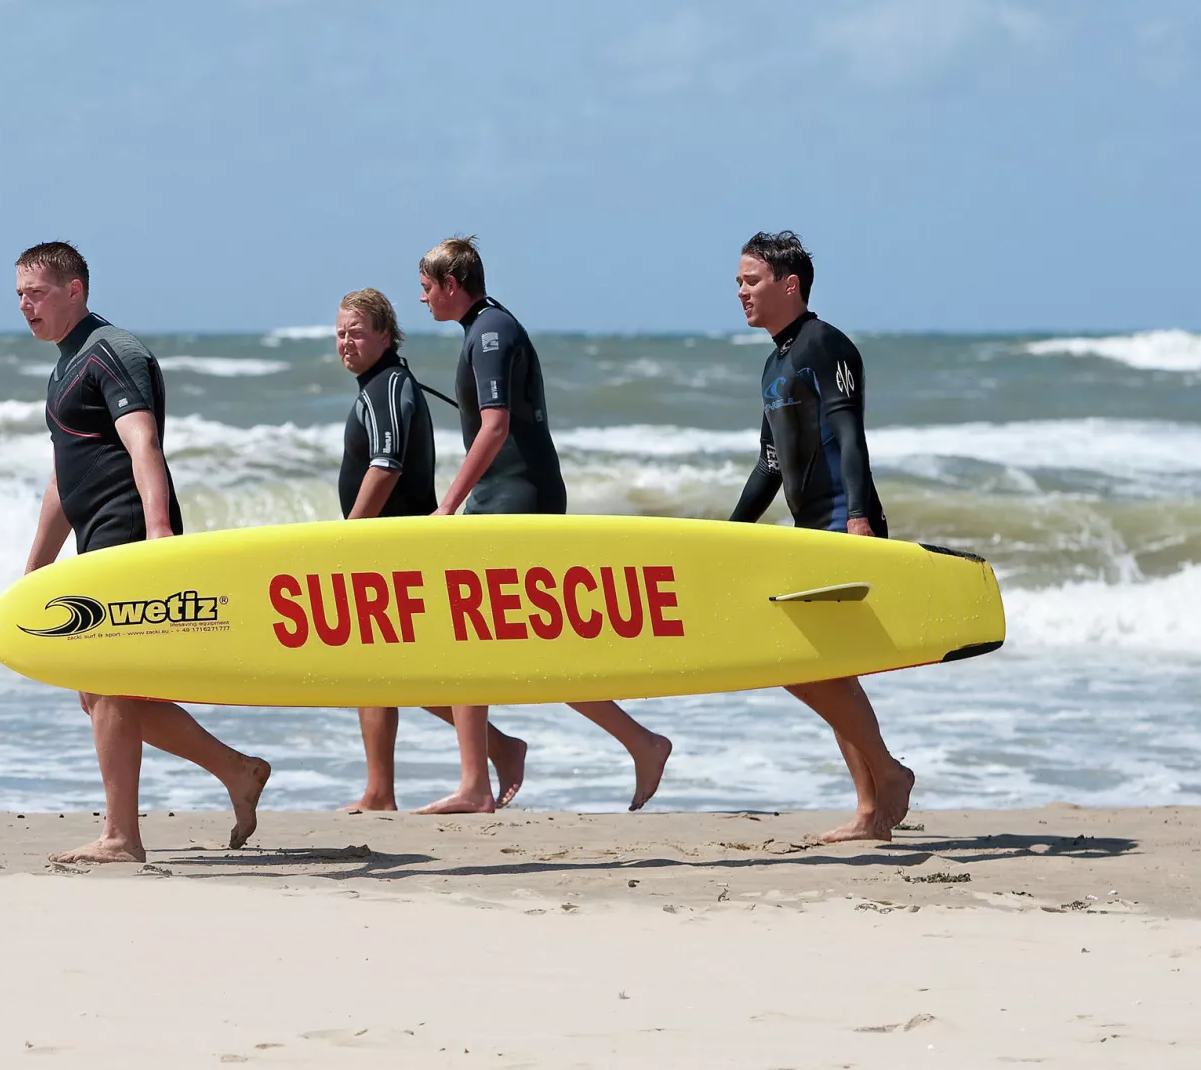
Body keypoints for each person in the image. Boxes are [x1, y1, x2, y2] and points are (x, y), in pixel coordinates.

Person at [16, 240, 270, 862]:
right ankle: (237, 771)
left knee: (104, 684)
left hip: (127, 531)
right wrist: (37, 568)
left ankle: (121, 836)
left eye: (37, 293)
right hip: (96, 535)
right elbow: (63, 478)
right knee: (103, 692)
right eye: (19, 295)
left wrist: (158, 535)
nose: (26, 306)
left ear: (75, 289)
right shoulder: (64, 364)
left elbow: (143, 442)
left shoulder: (111, 353)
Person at [417, 236, 672, 815]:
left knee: (484, 639)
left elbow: (495, 426)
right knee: (505, 643)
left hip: (513, 502)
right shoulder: (487, 330)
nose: (424, 300)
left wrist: (447, 505)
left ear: (452, 285)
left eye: (428, 288)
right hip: (509, 498)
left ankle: (484, 780)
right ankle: (630, 744)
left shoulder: (488, 334)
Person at [728, 230, 914, 842]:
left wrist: (858, 520)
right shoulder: (774, 360)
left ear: (790, 285)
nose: (741, 292)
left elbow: (850, 433)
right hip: (810, 531)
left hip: (843, 523)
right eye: (738, 283)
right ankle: (871, 808)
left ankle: (887, 776)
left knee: (803, 662)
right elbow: (771, 464)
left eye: (751, 281)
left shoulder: (826, 345)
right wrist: (728, 537)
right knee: (830, 671)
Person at [333, 287, 530, 812]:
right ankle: (388, 788)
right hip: (388, 541)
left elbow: (387, 461)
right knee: (382, 670)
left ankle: (389, 789)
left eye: (356, 331)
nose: (346, 342)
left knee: (383, 668)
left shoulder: (388, 387)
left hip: (394, 544)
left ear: (384, 335)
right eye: (340, 332)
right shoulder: (382, 383)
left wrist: (349, 532)